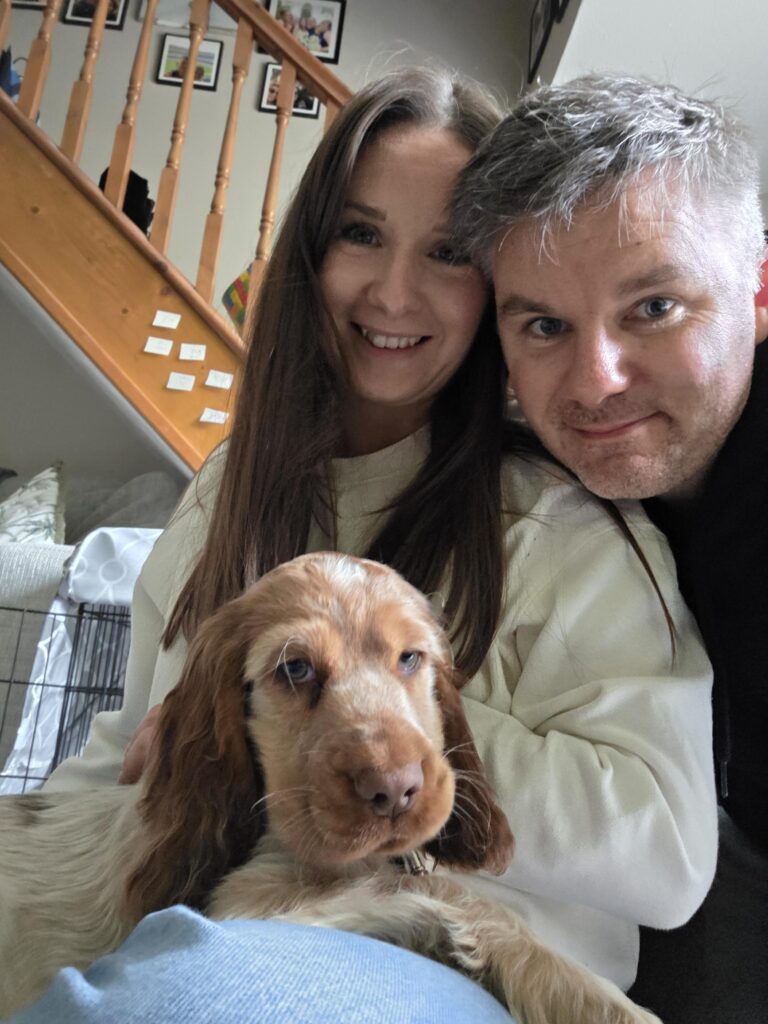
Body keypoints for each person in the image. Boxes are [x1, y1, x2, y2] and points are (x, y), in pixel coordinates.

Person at [34, 68, 716, 1020]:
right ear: (312, 255)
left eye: (446, 251)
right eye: (361, 234)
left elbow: (669, 859)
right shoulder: (232, 488)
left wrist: (377, 704)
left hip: (465, 965)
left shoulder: (561, 526)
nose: (395, 292)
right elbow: (134, 745)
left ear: (492, 288)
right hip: (213, 920)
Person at [452, 73, 768, 1023]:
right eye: (545, 326)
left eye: (654, 308)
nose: (596, 381)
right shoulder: (547, 497)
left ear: (756, 291)